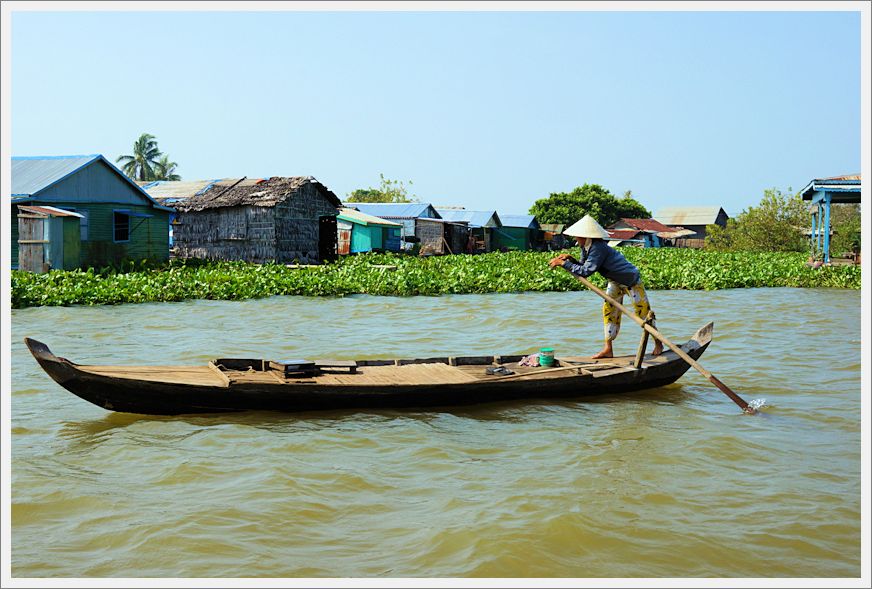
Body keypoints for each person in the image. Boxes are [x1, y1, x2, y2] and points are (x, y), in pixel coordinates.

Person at [548, 215, 663, 359]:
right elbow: (583, 265)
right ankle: (608, 349)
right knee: (608, 311)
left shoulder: (598, 247)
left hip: (630, 280)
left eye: (578, 237)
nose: (576, 239)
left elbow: (586, 272)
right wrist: (570, 260)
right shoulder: (586, 247)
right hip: (614, 280)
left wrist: (564, 264)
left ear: (585, 236)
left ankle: (658, 342)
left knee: (643, 313)